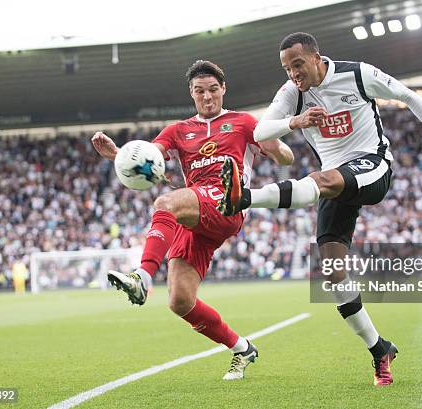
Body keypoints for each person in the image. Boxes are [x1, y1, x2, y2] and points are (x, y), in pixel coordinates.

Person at [217, 32, 422, 386]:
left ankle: (244, 199)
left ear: (317, 57)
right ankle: (380, 349)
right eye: (287, 68)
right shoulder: (292, 94)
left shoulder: (357, 74)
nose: (293, 74)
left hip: (371, 165)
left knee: (320, 180)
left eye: (298, 65)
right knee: (333, 273)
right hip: (333, 180)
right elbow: (260, 131)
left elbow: (406, 95)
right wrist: (294, 122)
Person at [91, 60, 293, 380]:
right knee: (180, 301)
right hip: (197, 215)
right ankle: (241, 348)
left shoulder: (243, 122)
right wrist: (118, 156)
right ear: (192, 93)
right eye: (200, 91)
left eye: (213, 90)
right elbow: (149, 161)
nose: (208, 97)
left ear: (223, 89)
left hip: (227, 203)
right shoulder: (178, 130)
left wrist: (275, 146)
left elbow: (286, 157)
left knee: (165, 202)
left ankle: (142, 278)